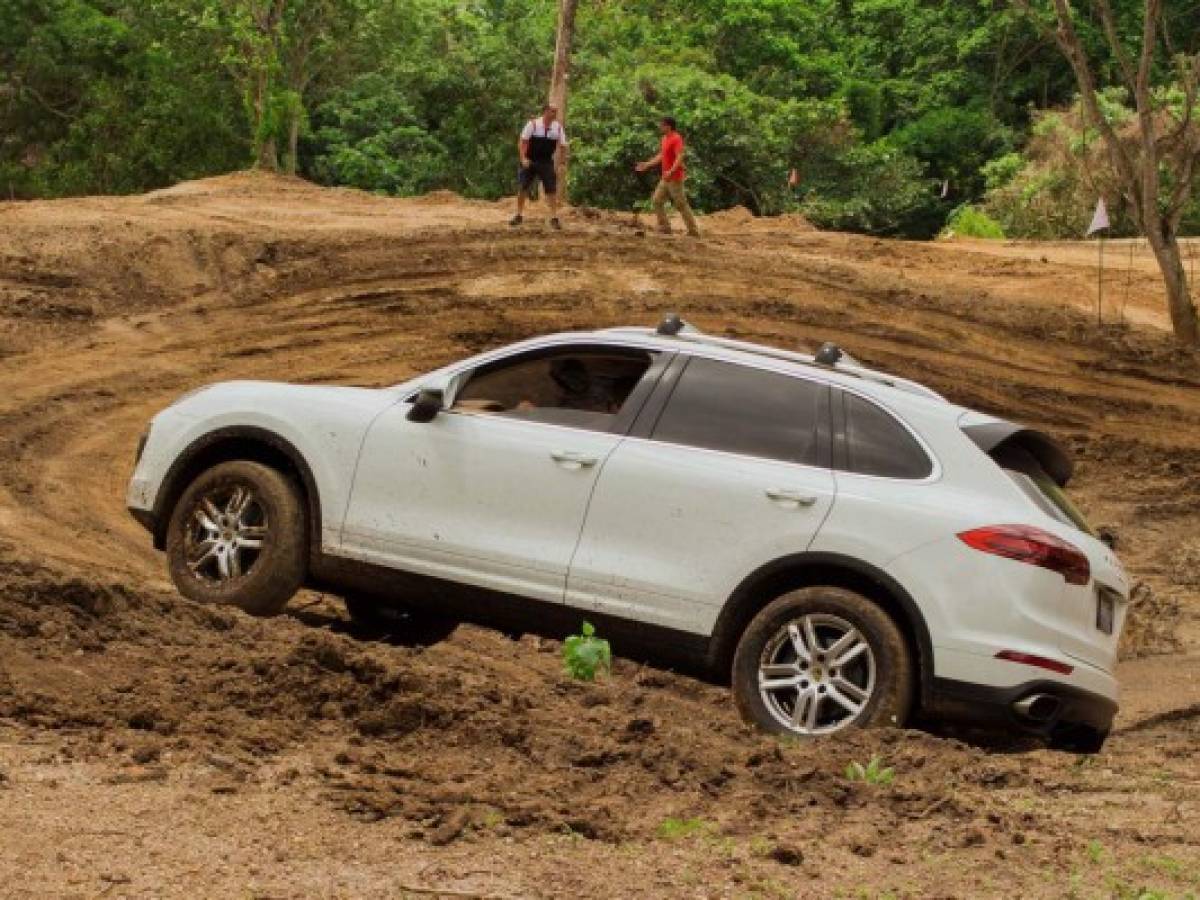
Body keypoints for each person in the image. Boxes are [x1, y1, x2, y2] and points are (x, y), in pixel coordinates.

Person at [635, 116, 700, 237]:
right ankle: (665, 227)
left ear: (668, 126)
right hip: (665, 177)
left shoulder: (676, 138)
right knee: (657, 200)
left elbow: (680, 156)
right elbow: (661, 155)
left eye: (662, 125)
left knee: (681, 204)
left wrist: (671, 170)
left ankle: (693, 231)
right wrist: (647, 164)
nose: (660, 127)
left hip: (675, 178)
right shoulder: (664, 138)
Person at [511, 104, 567, 230]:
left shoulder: (557, 128)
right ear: (546, 112)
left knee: (551, 189)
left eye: (556, 112)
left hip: (546, 161)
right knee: (523, 187)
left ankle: (554, 217)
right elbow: (522, 141)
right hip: (530, 160)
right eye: (553, 111)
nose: (555, 114)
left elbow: (563, 145)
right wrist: (523, 158)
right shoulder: (533, 124)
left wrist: (562, 163)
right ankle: (518, 214)